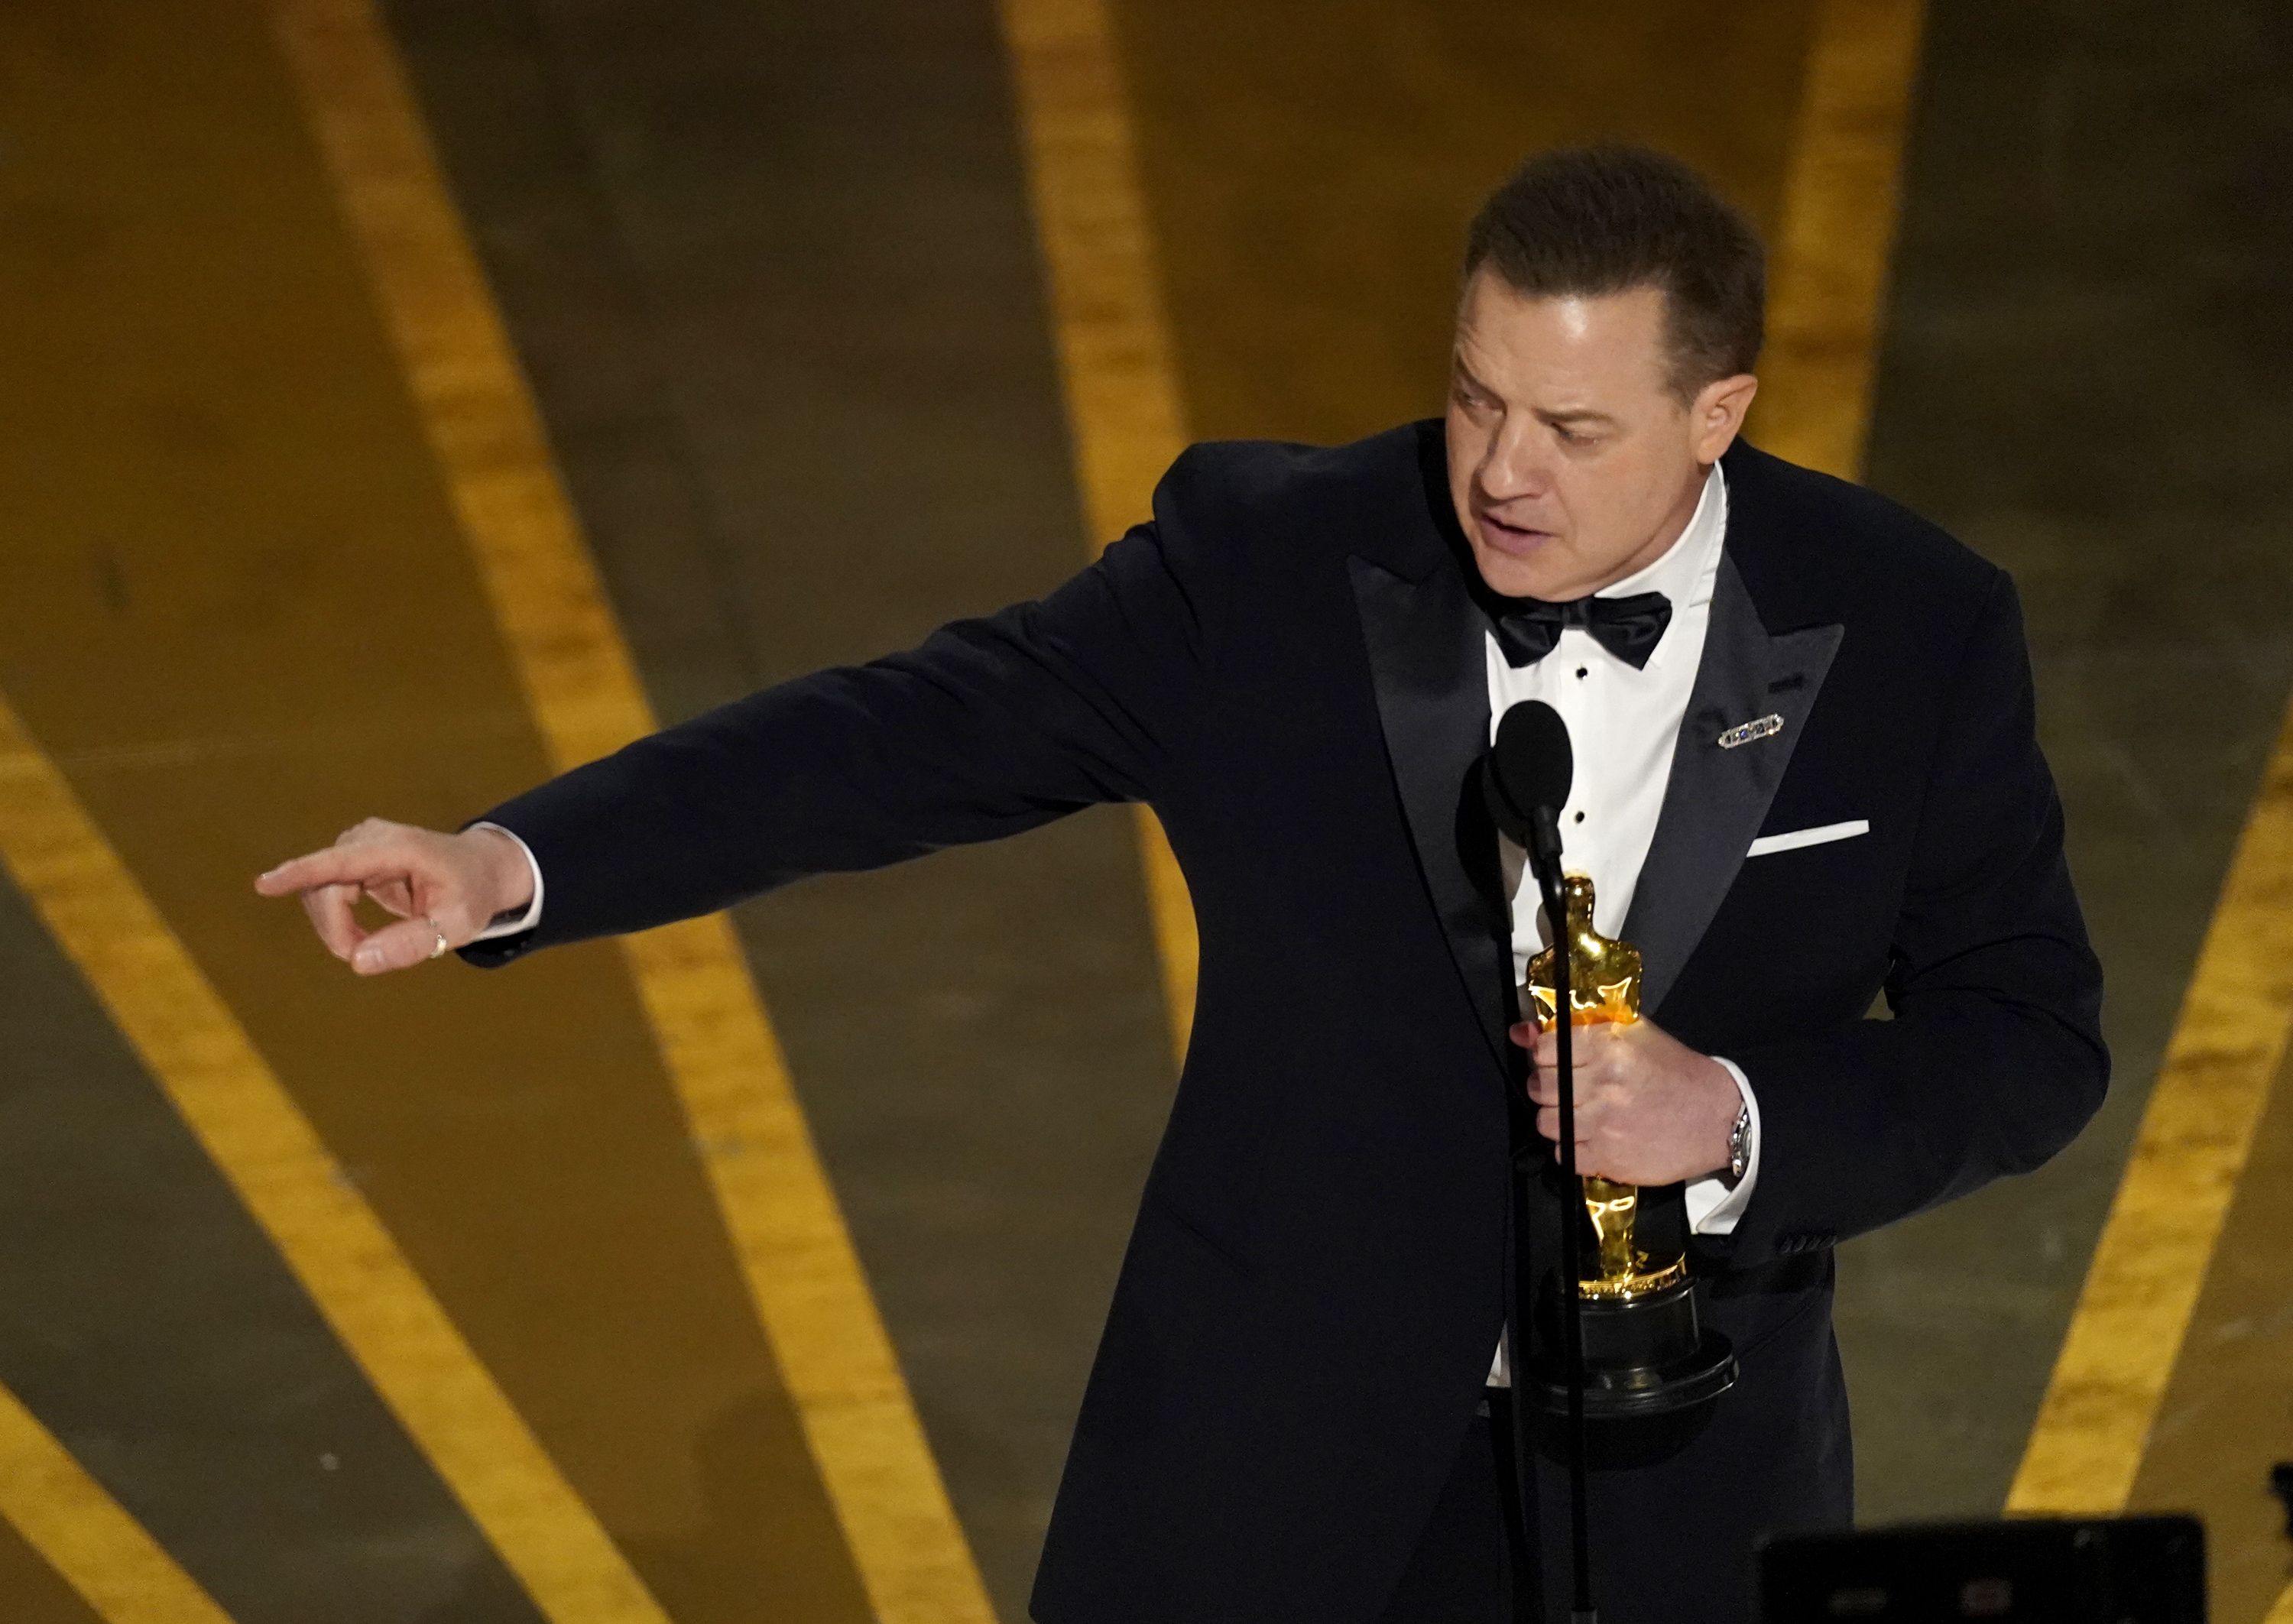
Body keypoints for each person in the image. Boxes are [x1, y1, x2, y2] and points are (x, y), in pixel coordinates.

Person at [258, 145, 2107, 1623]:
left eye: (1573, 431)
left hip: (1679, 1488)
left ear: (1718, 415)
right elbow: (906, 734)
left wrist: (1734, 1118)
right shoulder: (1274, 570)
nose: (1501, 472)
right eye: (1472, 401)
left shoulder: (1914, 629)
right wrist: (514, 858)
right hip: (1266, 1464)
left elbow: (2025, 1034)